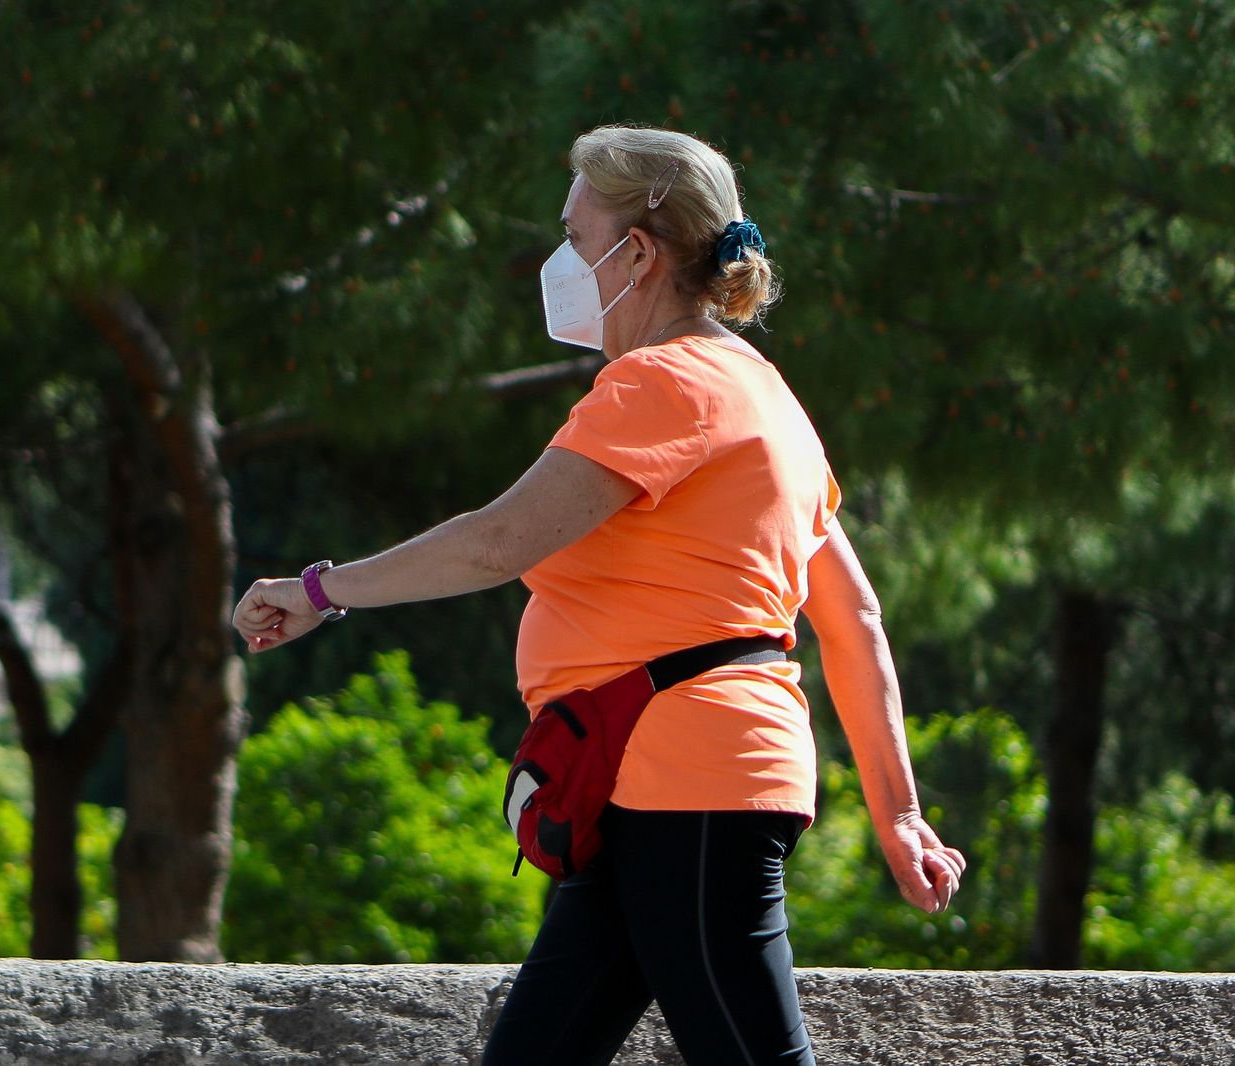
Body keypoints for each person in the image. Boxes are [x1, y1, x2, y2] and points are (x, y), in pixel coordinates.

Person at [232, 124, 966, 1066]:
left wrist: (322, 589)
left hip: (687, 782)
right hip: (649, 785)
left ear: (640, 254)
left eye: (577, 241)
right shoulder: (764, 393)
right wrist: (897, 812)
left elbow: (499, 542)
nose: (561, 263)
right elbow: (853, 615)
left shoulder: (662, 383)